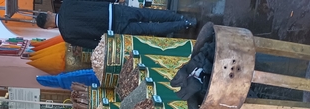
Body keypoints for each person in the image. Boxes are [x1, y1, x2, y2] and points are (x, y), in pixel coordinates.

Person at [36, 1, 197, 49]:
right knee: (147, 14)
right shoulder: (68, 4)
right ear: (49, 14)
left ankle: (184, 24)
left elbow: (94, 44)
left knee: (148, 29)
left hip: (113, 29)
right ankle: (180, 17)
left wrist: (108, 39)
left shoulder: (68, 36)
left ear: (48, 27)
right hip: (112, 10)